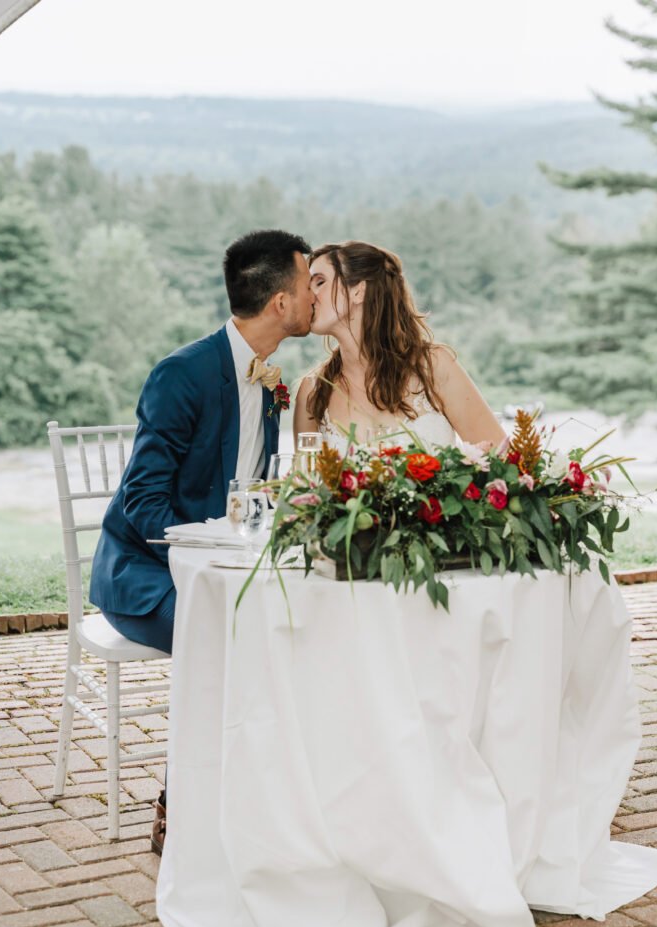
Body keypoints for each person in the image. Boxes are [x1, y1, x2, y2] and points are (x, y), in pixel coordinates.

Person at [90, 229, 314, 853]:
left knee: (286, 627)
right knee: (230, 634)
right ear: (278, 303)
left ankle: (265, 801)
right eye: (306, 286)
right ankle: (179, 804)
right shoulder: (182, 374)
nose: (314, 299)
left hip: (227, 570)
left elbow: (253, 489)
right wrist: (210, 560)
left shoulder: (271, 381)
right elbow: (144, 504)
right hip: (145, 577)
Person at [294, 241, 505, 451]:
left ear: (359, 291)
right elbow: (305, 480)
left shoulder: (434, 367)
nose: (310, 296)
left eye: (320, 283)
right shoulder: (313, 391)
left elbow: (502, 462)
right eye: (308, 287)